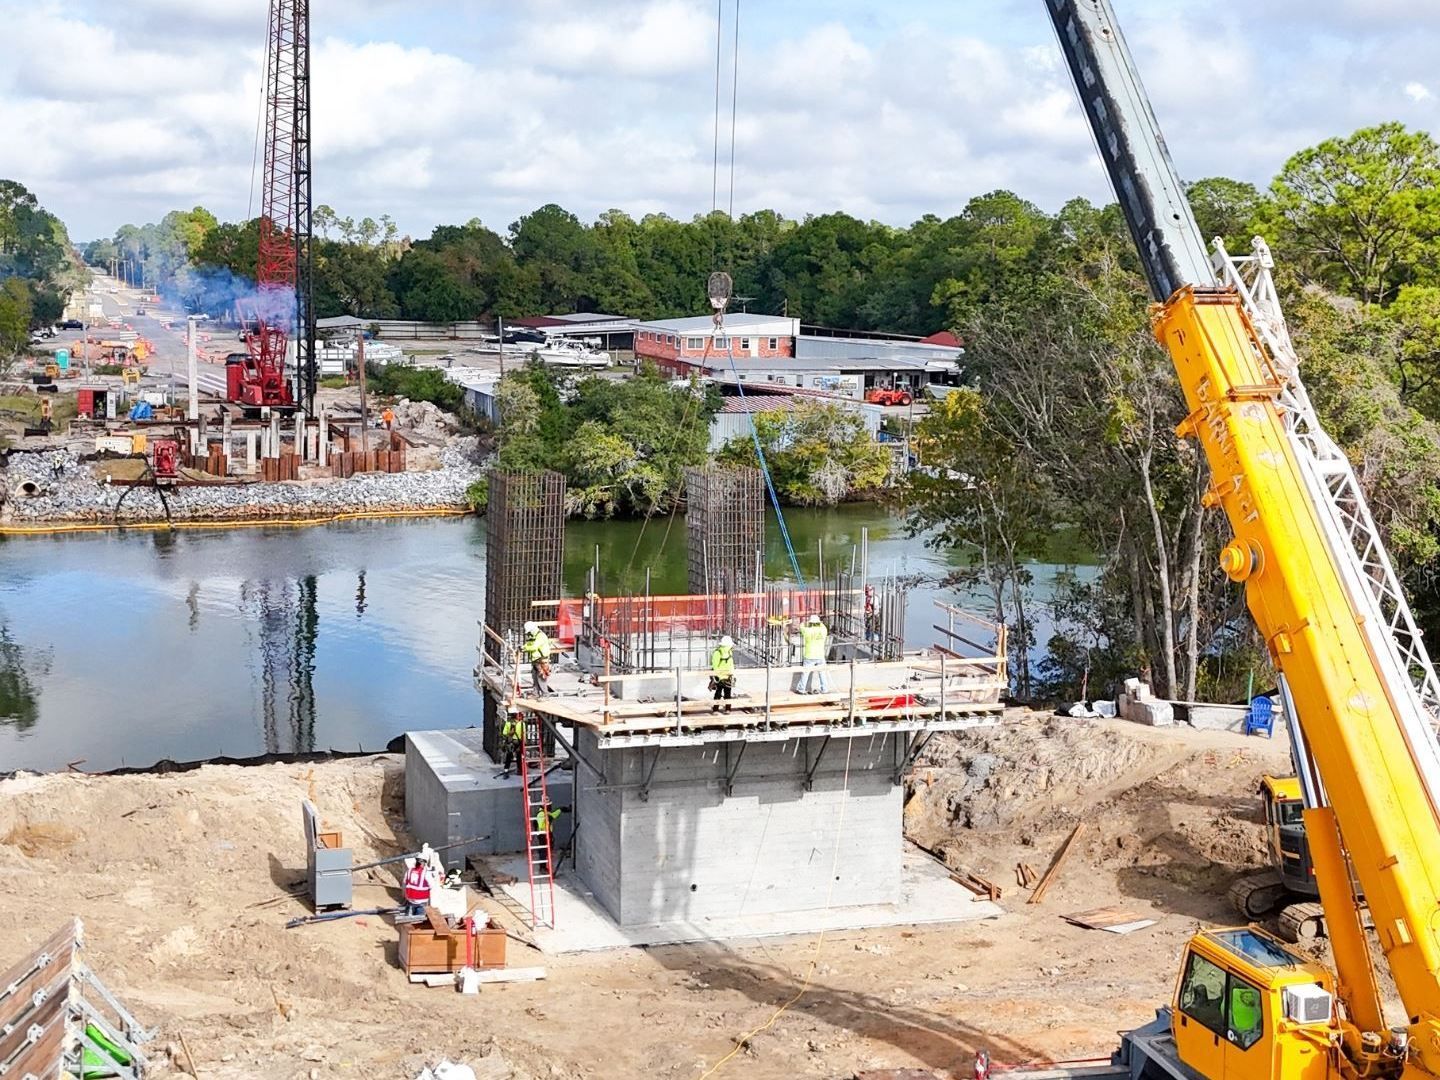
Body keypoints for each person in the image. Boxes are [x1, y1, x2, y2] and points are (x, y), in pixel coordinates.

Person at [401, 844, 437, 917]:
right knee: (419, 922)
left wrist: (405, 896)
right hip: (422, 901)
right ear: (423, 863)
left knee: (409, 920)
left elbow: (404, 884)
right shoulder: (426, 873)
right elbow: (432, 886)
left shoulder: (409, 871)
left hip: (410, 900)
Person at [798, 614, 830, 694]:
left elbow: (801, 625)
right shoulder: (823, 630)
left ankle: (801, 689)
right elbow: (822, 625)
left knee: (805, 673)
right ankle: (824, 689)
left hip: (809, 655)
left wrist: (807, 622)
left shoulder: (807, 630)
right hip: (820, 655)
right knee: (822, 673)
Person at [522, 621, 553, 696]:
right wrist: (523, 647)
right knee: (534, 676)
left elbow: (534, 646)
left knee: (541, 677)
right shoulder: (533, 636)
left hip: (541, 660)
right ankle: (535, 692)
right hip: (535, 660)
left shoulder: (540, 636)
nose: (528, 633)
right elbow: (529, 644)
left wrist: (525, 648)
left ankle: (545, 694)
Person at [709, 635, 736, 713]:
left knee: (721, 694)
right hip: (722, 677)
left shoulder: (721, 652)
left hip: (724, 677)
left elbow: (715, 665)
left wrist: (731, 674)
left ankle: (719, 709)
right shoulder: (721, 653)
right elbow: (716, 666)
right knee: (723, 693)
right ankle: (724, 709)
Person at [498, 712, 523, 779]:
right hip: (518, 742)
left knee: (508, 757)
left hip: (510, 742)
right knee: (519, 757)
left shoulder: (508, 723)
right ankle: (520, 771)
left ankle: (506, 770)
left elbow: (504, 733)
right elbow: (523, 735)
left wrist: (510, 734)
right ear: (518, 717)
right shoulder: (522, 724)